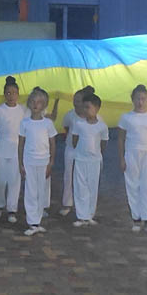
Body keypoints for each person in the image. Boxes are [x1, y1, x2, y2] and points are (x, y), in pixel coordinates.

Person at [118, 85, 147, 236]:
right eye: (137, 99)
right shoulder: (126, 118)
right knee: (132, 185)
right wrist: (121, 158)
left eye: (143, 99)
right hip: (131, 154)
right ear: (132, 99)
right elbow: (121, 140)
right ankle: (136, 219)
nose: (140, 102)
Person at [0, 76, 30, 223]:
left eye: (14, 93)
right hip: (1, 148)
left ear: (18, 94)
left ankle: (12, 209)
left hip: (17, 150)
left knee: (14, 180)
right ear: (4, 94)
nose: (11, 96)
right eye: (8, 93)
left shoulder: (23, 110)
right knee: (1, 179)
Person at [19, 87, 56, 236]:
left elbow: (52, 143)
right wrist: (20, 163)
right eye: (33, 102)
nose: (36, 105)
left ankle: (37, 221)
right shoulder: (25, 123)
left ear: (44, 105)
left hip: (43, 162)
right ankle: (32, 222)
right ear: (29, 103)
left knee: (41, 191)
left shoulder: (48, 123)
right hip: (29, 161)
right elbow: (21, 144)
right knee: (30, 191)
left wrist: (51, 163)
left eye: (39, 102)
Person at [71, 92, 108, 227]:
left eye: (88, 107)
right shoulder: (79, 124)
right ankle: (81, 216)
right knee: (80, 187)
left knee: (93, 187)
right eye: (84, 107)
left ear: (97, 108)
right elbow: (74, 141)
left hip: (95, 161)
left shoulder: (102, 126)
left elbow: (103, 143)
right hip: (80, 159)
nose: (85, 110)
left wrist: (97, 155)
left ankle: (90, 215)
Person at [59, 86, 93, 217]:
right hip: (71, 149)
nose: (75, 103)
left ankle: (84, 205)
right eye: (74, 100)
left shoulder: (91, 115)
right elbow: (66, 128)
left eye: (78, 100)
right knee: (68, 176)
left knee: (84, 178)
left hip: (85, 151)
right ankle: (67, 203)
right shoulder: (70, 115)